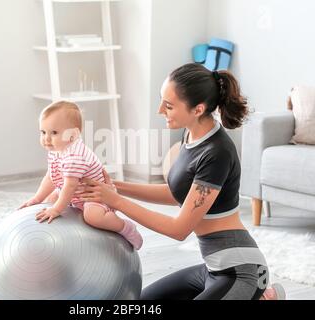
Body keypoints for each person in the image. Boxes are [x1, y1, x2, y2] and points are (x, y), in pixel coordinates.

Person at [79, 63, 286, 300]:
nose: (160, 110)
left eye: (168, 105)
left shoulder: (217, 152)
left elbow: (179, 229)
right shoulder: (191, 133)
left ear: (197, 109)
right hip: (212, 270)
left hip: (241, 272)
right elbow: (177, 194)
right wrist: (116, 187)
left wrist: (115, 201)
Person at [18, 101, 143, 250]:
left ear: (72, 135)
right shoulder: (57, 150)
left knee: (93, 216)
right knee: (49, 200)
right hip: (75, 194)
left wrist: (57, 209)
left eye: (54, 133)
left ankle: (125, 227)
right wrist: (37, 198)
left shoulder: (75, 156)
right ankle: (58, 240)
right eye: (43, 132)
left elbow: (70, 186)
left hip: (95, 196)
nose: (46, 138)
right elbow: (51, 177)